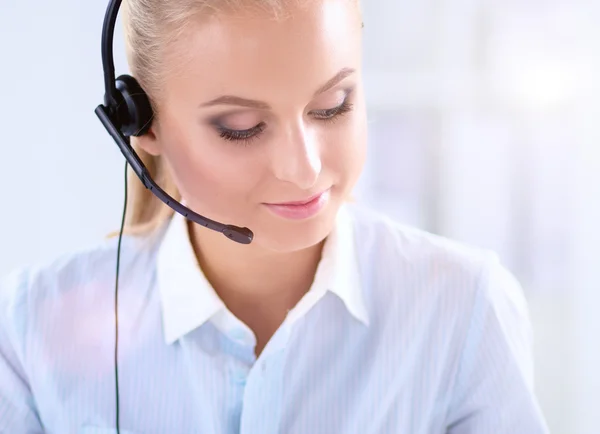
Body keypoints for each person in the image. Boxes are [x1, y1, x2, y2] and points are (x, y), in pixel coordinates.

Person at [0, 0, 550, 432]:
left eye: (333, 105)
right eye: (240, 126)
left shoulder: (464, 308)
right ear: (141, 126)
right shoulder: (29, 330)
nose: (304, 169)